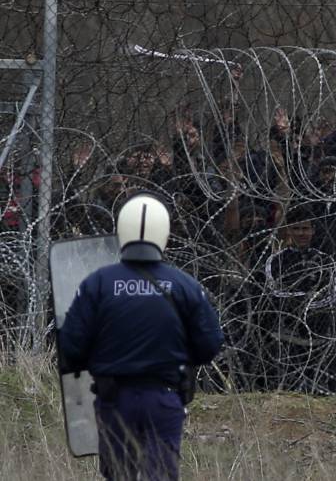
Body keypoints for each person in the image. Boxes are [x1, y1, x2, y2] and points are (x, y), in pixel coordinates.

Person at [58, 192, 225, 481]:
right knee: (160, 474)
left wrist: (97, 358)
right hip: (164, 398)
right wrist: (180, 357)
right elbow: (210, 344)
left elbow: (70, 346)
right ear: (165, 232)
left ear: (122, 229)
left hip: (114, 400)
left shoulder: (97, 283)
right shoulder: (185, 286)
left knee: (119, 475)